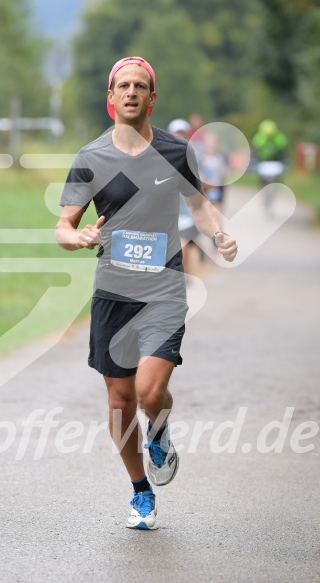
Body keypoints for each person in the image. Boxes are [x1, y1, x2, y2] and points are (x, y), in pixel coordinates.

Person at [56, 56, 237, 530]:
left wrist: (219, 234)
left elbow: (200, 205)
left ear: (152, 98)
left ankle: (159, 431)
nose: (132, 92)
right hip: (113, 293)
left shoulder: (177, 153)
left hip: (163, 289)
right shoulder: (90, 158)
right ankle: (140, 492)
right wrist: (77, 238)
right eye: (124, 86)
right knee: (120, 402)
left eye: (141, 86)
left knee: (150, 391)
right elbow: (64, 225)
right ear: (111, 98)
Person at [167, 119, 200, 276]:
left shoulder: (194, 156)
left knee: (184, 247)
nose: (179, 136)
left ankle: (182, 277)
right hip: (167, 216)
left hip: (187, 214)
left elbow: (203, 181)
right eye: (176, 133)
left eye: (182, 133)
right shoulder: (161, 156)